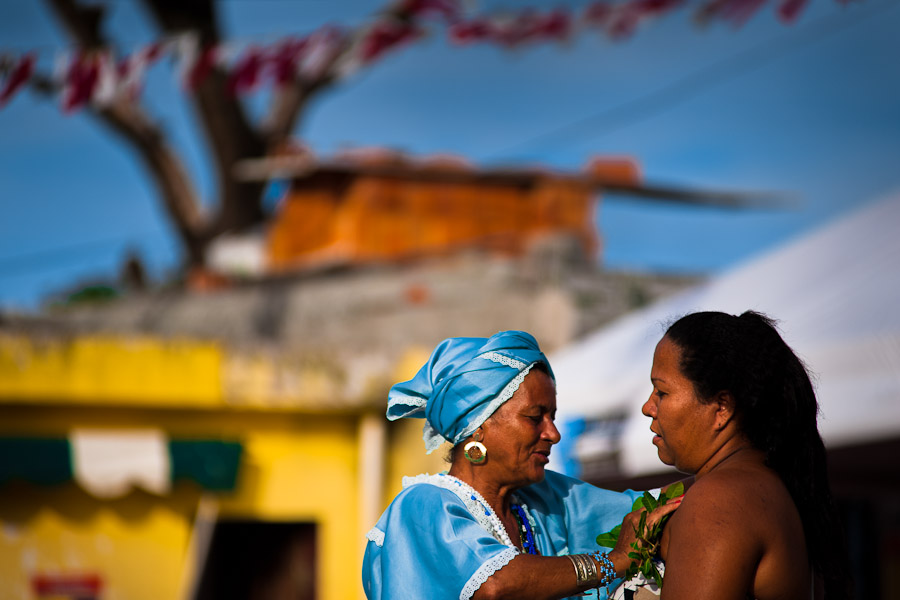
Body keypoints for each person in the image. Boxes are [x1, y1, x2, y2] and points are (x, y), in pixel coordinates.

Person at [362, 330, 680, 600]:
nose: (552, 434)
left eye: (552, 417)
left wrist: (719, 471)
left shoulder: (543, 500)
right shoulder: (423, 506)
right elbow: (495, 585)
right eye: (534, 417)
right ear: (478, 425)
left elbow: (652, 507)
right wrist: (613, 562)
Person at [641, 311, 852, 600]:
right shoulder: (761, 486)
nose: (648, 407)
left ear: (721, 407)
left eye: (661, 392)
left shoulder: (719, 498)